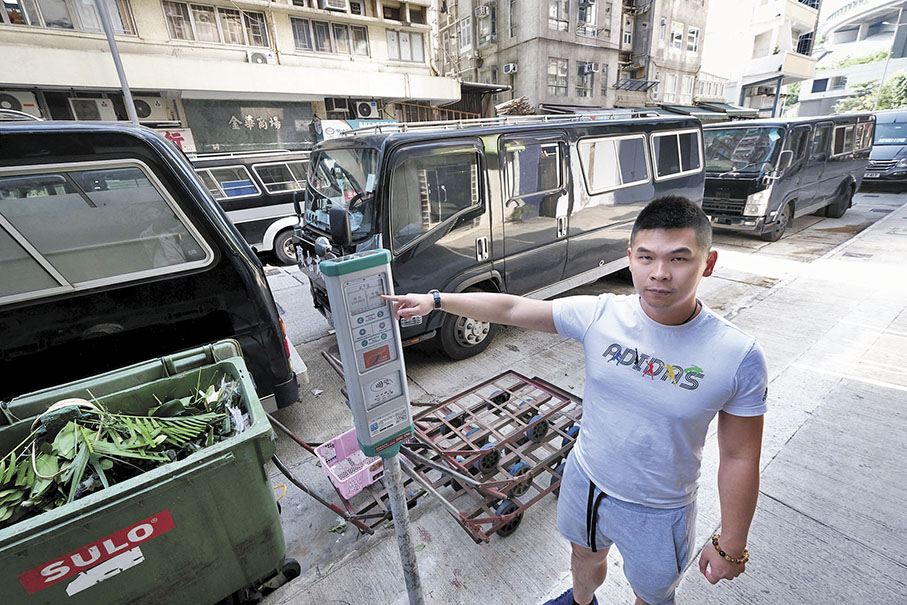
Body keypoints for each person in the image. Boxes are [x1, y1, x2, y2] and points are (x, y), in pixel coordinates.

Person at [383, 196, 767, 605]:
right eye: (646, 257)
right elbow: (513, 307)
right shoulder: (601, 314)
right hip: (586, 478)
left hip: (660, 507)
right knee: (583, 558)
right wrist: (436, 301)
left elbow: (740, 457)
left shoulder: (737, 355)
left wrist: (732, 542)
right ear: (629, 258)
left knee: (652, 594)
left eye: (679, 259)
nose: (659, 274)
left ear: (707, 263)